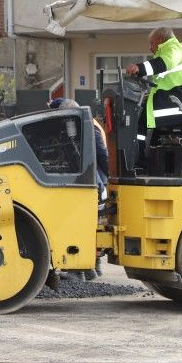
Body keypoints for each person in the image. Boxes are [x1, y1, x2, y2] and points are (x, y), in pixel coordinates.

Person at [125, 26, 182, 165]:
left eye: (151, 43)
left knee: (140, 120)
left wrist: (139, 68)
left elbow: (166, 62)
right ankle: (147, 158)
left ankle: (138, 161)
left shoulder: (174, 47)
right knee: (146, 118)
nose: (150, 48)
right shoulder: (177, 50)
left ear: (160, 39)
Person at [46, 98, 109, 280]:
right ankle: (90, 269)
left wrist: (106, 180)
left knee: (83, 224)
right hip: (91, 180)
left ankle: (82, 269)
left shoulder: (89, 127)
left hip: (94, 181)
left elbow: (101, 156)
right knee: (90, 225)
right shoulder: (81, 123)